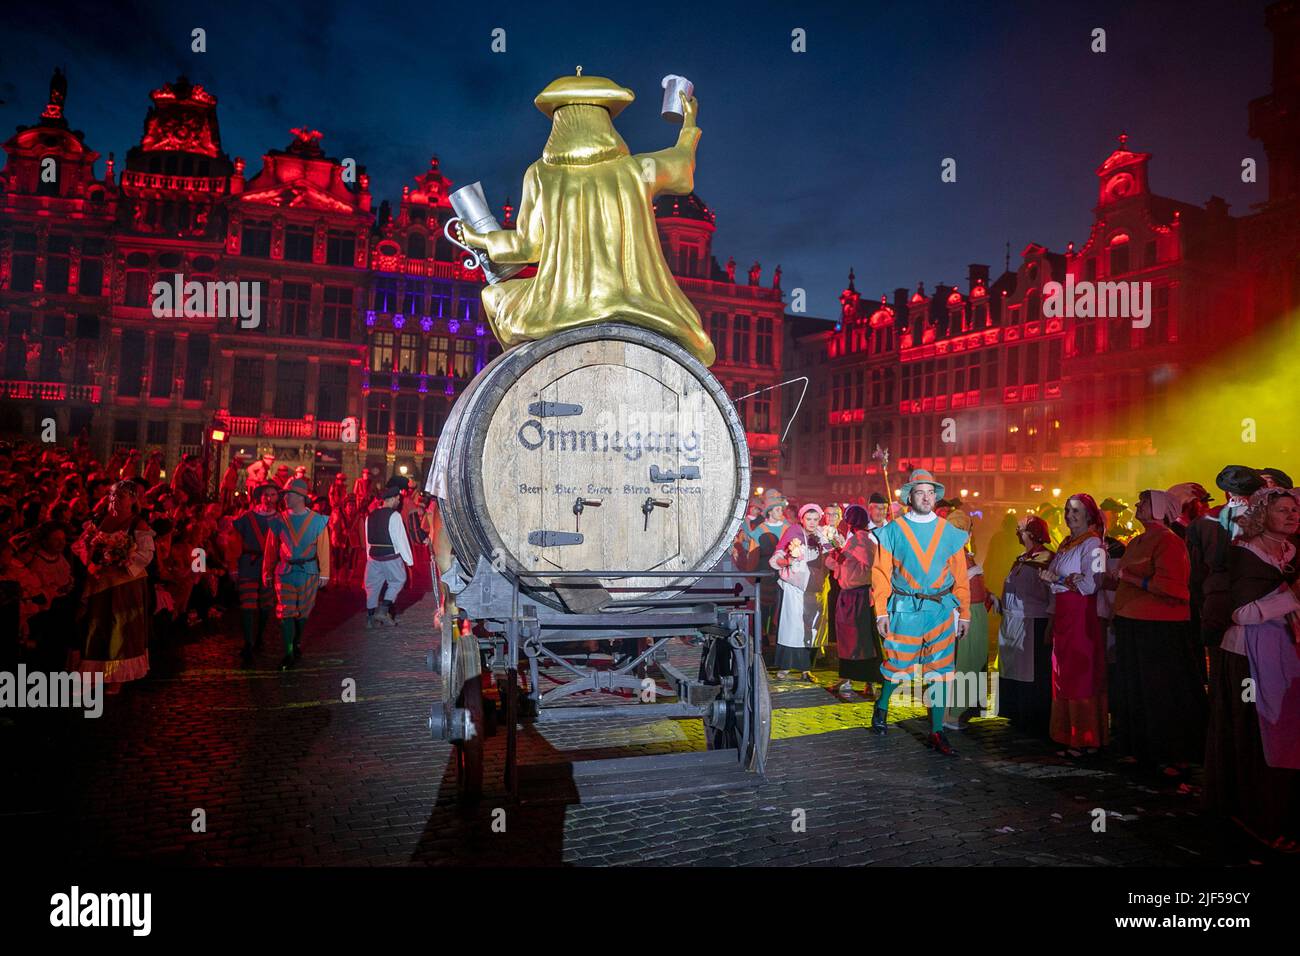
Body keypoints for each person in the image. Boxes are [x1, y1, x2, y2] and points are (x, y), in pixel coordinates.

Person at [1204, 486, 1300, 852]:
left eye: (1295, 510)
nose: (1292, 516)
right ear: (1262, 516)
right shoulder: (1245, 555)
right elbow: (1241, 613)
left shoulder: (1291, 552)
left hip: (1283, 655)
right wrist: (1291, 596)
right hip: (1247, 657)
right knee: (1253, 740)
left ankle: (1282, 815)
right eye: (1283, 510)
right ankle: (1256, 816)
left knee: (1284, 736)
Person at [1103, 489, 1205, 774]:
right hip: (1132, 624)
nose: (1137, 505)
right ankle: (1141, 749)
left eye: (1143, 502)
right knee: (1134, 690)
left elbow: (1174, 589)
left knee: (1160, 692)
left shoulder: (1168, 542)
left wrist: (1129, 578)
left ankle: (1170, 754)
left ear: (1159, 508)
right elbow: (1127, 581)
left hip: (1159, 629)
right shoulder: (1138, 540)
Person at [870, 469, 970, 755]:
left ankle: (937, 730)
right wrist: (881, 612)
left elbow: (960, 576)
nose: (926, 497)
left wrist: (964, 613)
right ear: (909, 496)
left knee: (940, 671)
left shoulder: (950, 533)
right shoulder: (892, 530)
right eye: (919, 492)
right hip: (904, 608)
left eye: (930, 492)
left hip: (940, 609)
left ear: (935, 496)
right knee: (898, 665)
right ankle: (883, 704)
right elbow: (880, 574)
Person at [71, 480, 155, 692]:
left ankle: (116, 676)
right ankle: (92, 674)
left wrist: (125, 558)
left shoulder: (138, 524)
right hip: (99, 582)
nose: (114, 500)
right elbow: (80, 545)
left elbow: (146, 554)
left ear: (133, 500)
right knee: (96, 627)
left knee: (120, 629)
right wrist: (90, 559)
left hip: (125, 585)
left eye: (120, 496)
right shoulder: (99, 520)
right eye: (112, 496)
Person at [1041, 493, 1108, 757]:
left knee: (1081, 673)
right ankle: (1068, 734)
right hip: (1064, 613)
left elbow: (1092, 584)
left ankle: (1085, 737)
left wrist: (1058, 578)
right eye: (1068, 510)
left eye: (1076, 511)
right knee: (1064, 674)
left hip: (1082, 615)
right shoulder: (1068, 543)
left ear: (1089, 514)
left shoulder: (1094, 545)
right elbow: (1070, 579)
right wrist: (1059, 579)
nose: (1070, 515)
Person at [994, 515, 1055, 737]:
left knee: (1031, 672)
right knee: (1013, 668)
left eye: (1021, 530)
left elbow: (1051, 593)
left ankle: (1033, 716)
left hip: (1033, 621)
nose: (1017, 534)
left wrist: (1051, 621)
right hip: (1012, 621)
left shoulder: (1047, 558)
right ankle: (1015, 712)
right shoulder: (1020, 558)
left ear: (1031, 533)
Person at [262, 478, 330, 670]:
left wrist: (325, 572)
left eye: (288, 495)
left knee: (303, 614)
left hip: (308, 572)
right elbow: (271, 547)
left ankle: (297, 639)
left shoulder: (317, 520)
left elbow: (324, 547)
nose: (284, 498)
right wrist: (266, 570)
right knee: (286, 613)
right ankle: (289, 652)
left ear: (299, 497)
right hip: (285, 572)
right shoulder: (278, 519)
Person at [824, 504, 879, 700]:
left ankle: (868, 681)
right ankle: (848, 678)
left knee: (860, 639)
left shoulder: (862, 540)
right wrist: (837, 550)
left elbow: (869, 563)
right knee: (850, 639)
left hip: (859, 595)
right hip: (849, 594)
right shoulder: (853, 540)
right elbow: (834, 562)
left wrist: (844, 552)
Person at [770, 503, 827, 681]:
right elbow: (777, 558)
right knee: (793, 628)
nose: (812, 522)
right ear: (802, 519)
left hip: (815, 589)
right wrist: (788, 560)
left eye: (815, 519)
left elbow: (830, 556)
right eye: (808, 519)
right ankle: (785, 667)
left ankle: (806, 670)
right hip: (796, 589)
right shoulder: (793, 533)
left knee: (812, 629)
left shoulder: (821, 536)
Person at [944, 509, 990, 729]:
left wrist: (989, 595)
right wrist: (968, 576)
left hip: (974, 611)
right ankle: (952, 714)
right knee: (962, 663)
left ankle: (961, 710)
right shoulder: (949, 555)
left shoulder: (963, 553)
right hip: (962, 613)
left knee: (971, 662)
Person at [231, 483, 279, 664]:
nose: (269, 498)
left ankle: (259, 636)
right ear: (260, 497)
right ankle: (248, 643)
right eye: (266, 495)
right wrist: (233, 566)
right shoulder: (246, 518)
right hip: (248, 565)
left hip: (270, 568)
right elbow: (233, 541)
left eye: (273, 495)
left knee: (266, 606)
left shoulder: (281, 519)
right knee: (247, 606)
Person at [364, 475, 415, 628]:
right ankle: (384, 609)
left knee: (372, 586)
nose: (399, 502)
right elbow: (400, 539)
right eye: (397, 499)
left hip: (373, 557)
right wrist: (409, 560)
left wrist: (369, 557)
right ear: (392, 499)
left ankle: (370, 618)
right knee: (398, 580)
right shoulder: (394, 516)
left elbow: (368, 539)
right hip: (390, 556)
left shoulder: (370, 516)